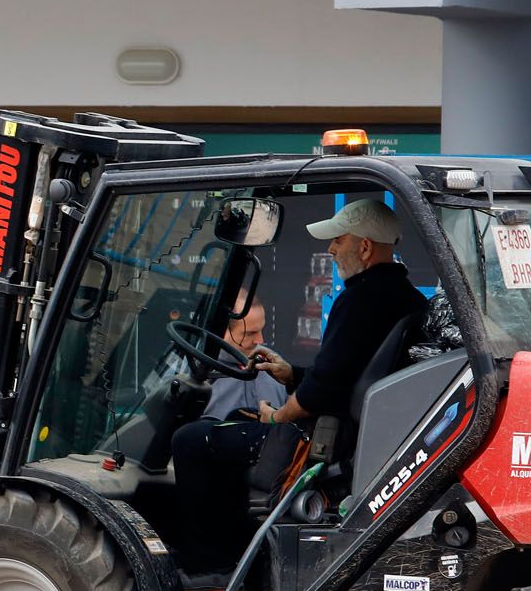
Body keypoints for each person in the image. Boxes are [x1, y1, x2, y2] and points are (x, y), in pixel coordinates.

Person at [170, 199, 426, 570]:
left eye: (338, 240)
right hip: (351, 430)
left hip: (326, 439)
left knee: (192, 439)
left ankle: (208, 567)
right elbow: (341, 378)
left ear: (365, 248)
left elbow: (320, 394)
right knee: (228, 426)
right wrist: (292, 374)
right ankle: (239, 557)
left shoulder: (360, 299)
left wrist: (276, 417)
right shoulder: (405, 296)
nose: (331, 249)